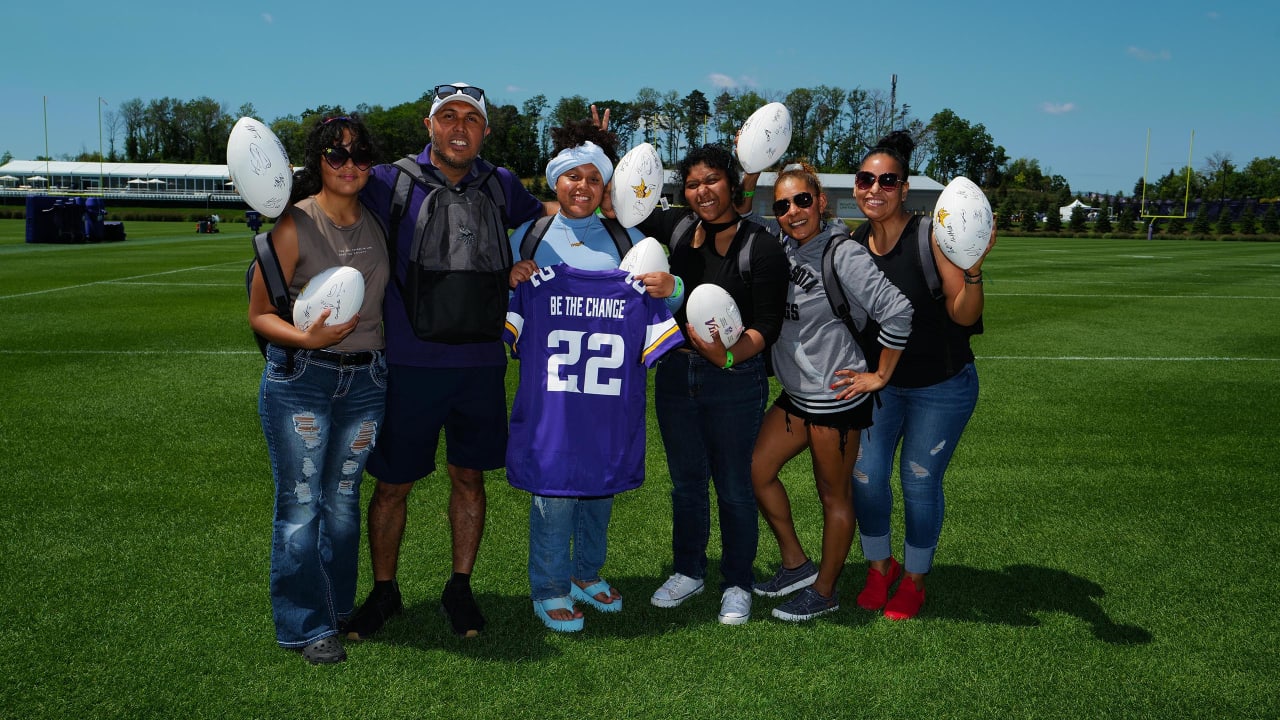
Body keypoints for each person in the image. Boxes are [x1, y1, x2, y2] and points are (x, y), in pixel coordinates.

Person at [347, 83, 548, 639]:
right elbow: (332, 198)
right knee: (392, 485)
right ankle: (384, 590)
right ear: (429, 125)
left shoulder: (503, 183)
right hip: (411, 364)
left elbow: (560, 215)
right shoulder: (389, 180)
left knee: (469, 478)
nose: (460, 127)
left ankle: (459, 588)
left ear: (485, 131)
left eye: (472, 120)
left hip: (481, 363)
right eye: (448, 117)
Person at [506, 121, 683, 631]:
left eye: (592, 177)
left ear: (605, 185)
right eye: (570, 176)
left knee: (599, 493)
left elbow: (665, 298)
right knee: (555, 496)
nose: (581, 186)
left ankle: (586, 573)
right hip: (553, 403)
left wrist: (669, 285)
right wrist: (510, 279)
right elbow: (502, 300)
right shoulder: (529, 236)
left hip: (608, 401)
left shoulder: (627, 238)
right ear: (554, 182)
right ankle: (549, 586)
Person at [248, 115, 389, 664]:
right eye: (336, 156)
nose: (349, 165)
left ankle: (333, 609)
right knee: (301, 507)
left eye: (359, 157)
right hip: (303, 379)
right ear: (319, 163)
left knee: (343, 505)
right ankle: (304, 626)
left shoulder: (379, 222)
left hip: (368, 377)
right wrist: (307, 337)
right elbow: (259, 314)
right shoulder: (292, 226)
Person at [749, 162, 912, 622]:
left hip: (835, 400)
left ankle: (825, 590)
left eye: (802, 200)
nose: (793, 211)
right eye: (782, 205)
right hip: (797, 395)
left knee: (833, 497)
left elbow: (898, 312)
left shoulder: (843, 254)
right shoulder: (784, 246)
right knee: (757, 470)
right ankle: (796, 564)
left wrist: (879, 375)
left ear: (821, 201)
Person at [636, 144, 789, 625]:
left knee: (734, 486)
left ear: (732, 183)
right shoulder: (676, 227)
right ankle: (689, 570)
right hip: (677, 374)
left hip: (735, 379)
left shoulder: (760, 245)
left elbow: (767, 326)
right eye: (693, 183)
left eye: (712, 180)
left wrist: (726, 356)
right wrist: (605, 150)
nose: (703, 191)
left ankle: (738, 581)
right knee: (685, 483)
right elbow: (623, 206)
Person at [849, 131, 994, 620]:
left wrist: (972, 272)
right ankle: (878, 567)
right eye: (866, 179)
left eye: (887, 180)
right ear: (856, 186)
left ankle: (913, 579)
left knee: (918, 480)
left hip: (942, 385)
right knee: (866, 477)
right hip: (882, 385)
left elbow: (962, 315)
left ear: (904, 188)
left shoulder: (933, 237)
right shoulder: (851, 244)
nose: (876, 189)